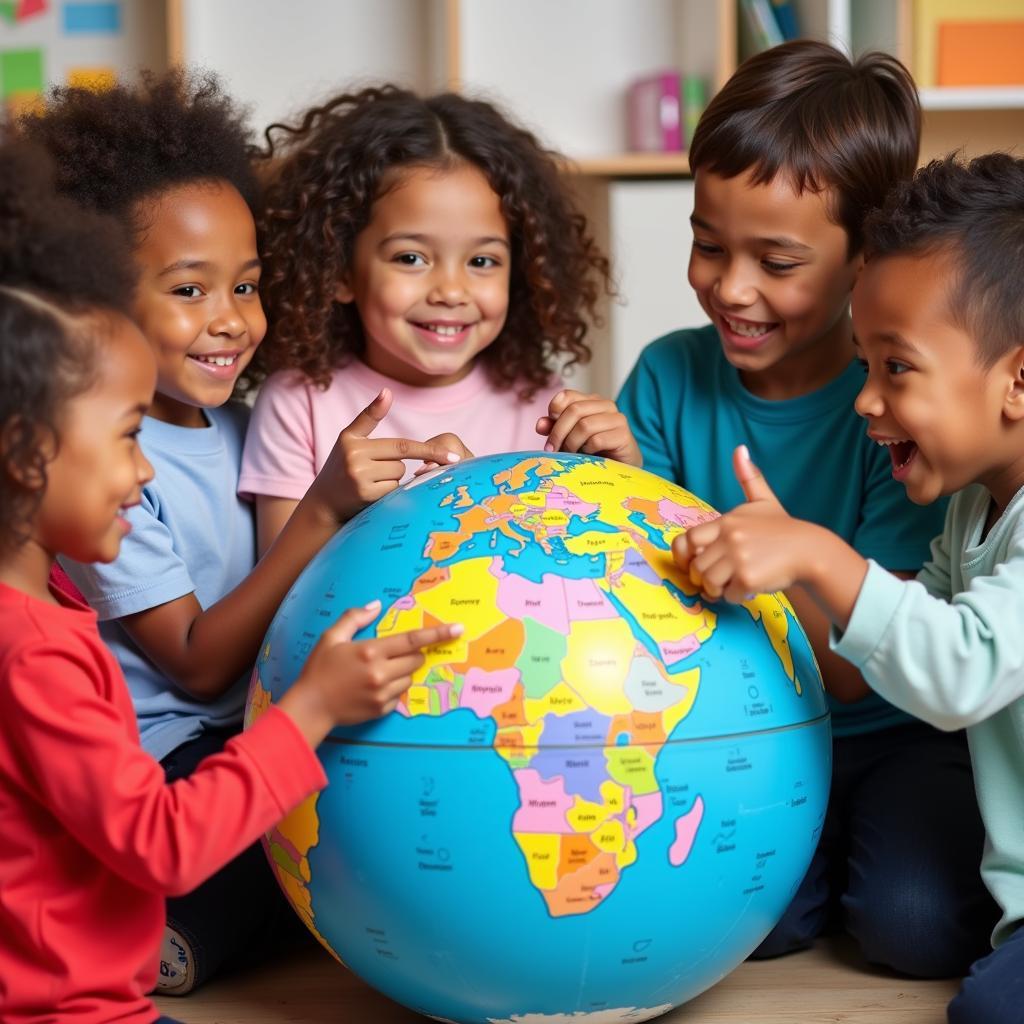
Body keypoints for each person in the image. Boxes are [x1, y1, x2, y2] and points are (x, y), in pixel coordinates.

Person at [17, 69, 469, 994]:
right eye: (190, 289)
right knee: (324, 816)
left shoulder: (241, 420)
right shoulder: (105, 468)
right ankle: (180, 934)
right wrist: (320, 513)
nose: (230, 320)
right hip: (173, 750)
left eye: (248, 286)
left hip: (244, 723)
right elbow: (194, 662)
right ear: (95, 300)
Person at [616, 40, 996, 976]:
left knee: (912, 926)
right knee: (747, 925)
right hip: (731, 724)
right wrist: (616, 479)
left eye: (776, 261)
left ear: (869, 259)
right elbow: (628, 595)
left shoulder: (895, 414)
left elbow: (863, 679)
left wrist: (794, 557)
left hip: (889, 735)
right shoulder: (668, 377)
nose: (731, 287)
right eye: (709, 244)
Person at [675, 151, 1024, 1024]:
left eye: (895, 369)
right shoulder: (970, 516)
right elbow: (915, 657)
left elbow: (960, 669)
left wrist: (820, 559)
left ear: (1018, 380)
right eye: (864, 366)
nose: (865, 402)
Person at [239, 84, 638, 555]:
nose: (451, 291)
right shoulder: (299, 402)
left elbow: (582, 564)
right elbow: (281, 597)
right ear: (340, 271)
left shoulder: (541, 403)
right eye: (411, 258)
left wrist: (625, 471)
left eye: (482, 262)